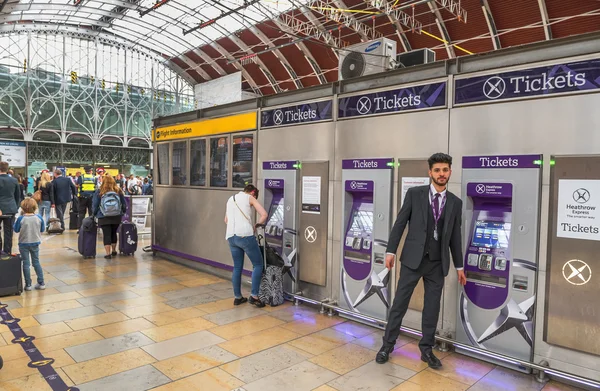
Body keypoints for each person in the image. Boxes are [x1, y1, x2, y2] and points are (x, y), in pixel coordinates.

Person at [376, 153, 467, 369]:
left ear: (450, 172)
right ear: (430, 173)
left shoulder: (455, 203)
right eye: (437, 170)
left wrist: (459, 266)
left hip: (437, 263)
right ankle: (387, 346)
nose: (441, 174)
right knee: (399, 304)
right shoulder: (415, 194)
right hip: (412, 260)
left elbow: (455, 236)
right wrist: (390, 251)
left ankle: (426, 350)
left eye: (445, 170)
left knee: (432, 308)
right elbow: (400, 224)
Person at [224, 184, 268, 308]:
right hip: (245, 236)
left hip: (231, 237)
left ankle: (238, 297)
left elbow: (226, 220)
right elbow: (264, 214)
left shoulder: (230, 199)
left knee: (237, 267)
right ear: (253, 193)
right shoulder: (249, 198)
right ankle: (254, 296)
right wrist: (256, 225)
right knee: (258, 264)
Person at [14, 198, 45, 291]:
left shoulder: (21, 218)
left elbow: (16, 229)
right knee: (36, 262)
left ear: (22, 208)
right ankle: (41, 282)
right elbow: (42, 229)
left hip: (23, 243)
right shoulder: (39, 217)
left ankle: (28, 285)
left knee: (26, 263)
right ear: (35, 207)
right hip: (35, 242)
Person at [92, 175, 126, 259]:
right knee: (114, 233)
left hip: (103, 216)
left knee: (106, 234)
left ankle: (108, 253)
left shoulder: (99, 191)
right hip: (116, 216)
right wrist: (122, 212)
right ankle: (114, 250)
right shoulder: (118, 190)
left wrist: (94, 214)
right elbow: (124, 204)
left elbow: (95, 205)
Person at [0, 162, 20, 254]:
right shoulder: (14, 180)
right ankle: (7, 252)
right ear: (7, 169)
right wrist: (15, 207)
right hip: (11, 208)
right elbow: (18, 196)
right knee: (8, 232)